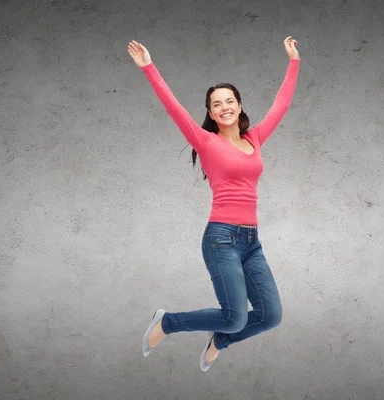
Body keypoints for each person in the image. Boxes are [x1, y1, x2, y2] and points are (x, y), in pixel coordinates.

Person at [127, 36, 300, 371]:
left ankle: (219, 340)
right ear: (210, 112)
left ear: (239, 105)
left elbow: (281, 105)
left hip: (251, 241)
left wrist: (293, 61)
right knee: (234, 317)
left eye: (229, 100)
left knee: (271, 315)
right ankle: (167, 322)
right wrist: (149, 67)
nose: (224, 107)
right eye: (216, 104)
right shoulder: (205, 141)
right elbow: (173, 107)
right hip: (221, 239)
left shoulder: (255, 138)